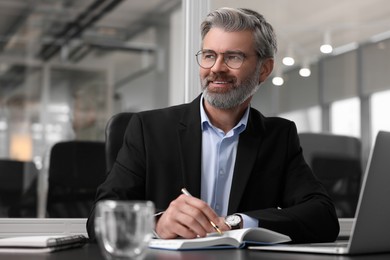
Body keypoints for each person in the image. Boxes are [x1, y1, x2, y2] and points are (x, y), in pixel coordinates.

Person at [87, 7, 339, 243]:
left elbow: (323, 217)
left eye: (233, 57)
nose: (217, 68)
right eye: (209, 55)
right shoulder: (148, 128)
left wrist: (238, 223)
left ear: (264, 69)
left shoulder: (278, 136)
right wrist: (157, 224)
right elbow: (98, 219)